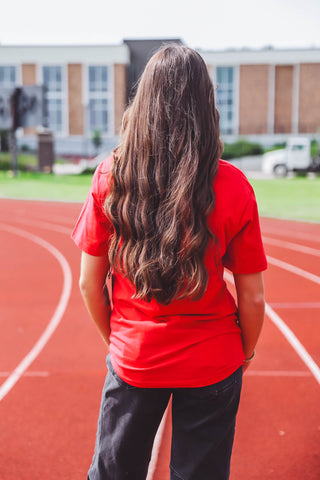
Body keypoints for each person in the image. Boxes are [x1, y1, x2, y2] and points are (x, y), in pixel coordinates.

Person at [72, 44, 267, 480]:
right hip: (213, 358)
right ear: (206, 103)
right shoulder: (233, 184)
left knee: (114, 474)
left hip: (135, 355)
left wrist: (117, 339)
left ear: (143, 102)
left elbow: (89, 283)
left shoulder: (111, 176)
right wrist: (246, 352)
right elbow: (252, 297)